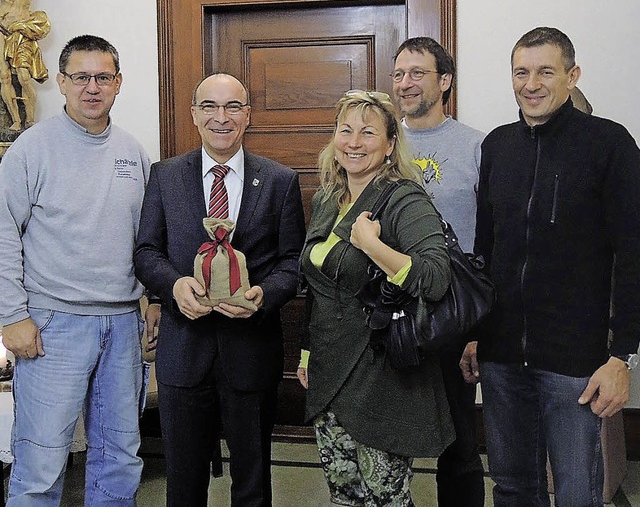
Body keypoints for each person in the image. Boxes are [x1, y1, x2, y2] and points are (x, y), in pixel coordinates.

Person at [460, 27, 640, 506]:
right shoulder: (498, 146)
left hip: (575, 364)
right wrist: (476, 331)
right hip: (500, 357)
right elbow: (485, 250)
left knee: (578, 492)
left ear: (571, 75)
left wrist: (623, 356)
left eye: (545, 71)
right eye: (521, 72)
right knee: (514, 487)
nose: (531, 83)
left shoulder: (610, 144)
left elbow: (633, 255)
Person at [134, 73, 305, 507]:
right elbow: (147, 252)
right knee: (184, 485)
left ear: (247, 116)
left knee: (252, 483)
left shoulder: (280, 180)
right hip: (183, 354)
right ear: (194, 115)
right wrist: (173, 286)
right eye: (209, 106)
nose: (221, 117)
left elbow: (292, 264)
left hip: (250, 353)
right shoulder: (165, 175)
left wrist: (264, 295)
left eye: (233, 107)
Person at [0, 34, 150, 506]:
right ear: (61, 83)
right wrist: (12, 317)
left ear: (119, 83)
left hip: (123, 324)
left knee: (119, 457)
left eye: (103, 77)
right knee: (41, 462)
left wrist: (153, 302)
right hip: (51, 325)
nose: (92, 87)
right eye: (81, 77)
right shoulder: (31, 148)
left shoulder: (134, 152)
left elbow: (145, 240)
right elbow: (3, 234)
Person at [296, 90, 454, 507]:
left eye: (367, 133)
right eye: (345, 131)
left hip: (380, 373)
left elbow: (436, 278)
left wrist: (373, 246)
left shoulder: (404, 198)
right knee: (344, 494)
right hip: (330, 368)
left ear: (389, 145)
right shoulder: (328, 198)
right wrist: (308, 353)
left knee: (386, 498)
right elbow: (318, 285)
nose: (353, 142)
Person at [392, 37, 486, 506]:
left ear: (444, 81)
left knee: (460, 447)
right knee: (388, 443)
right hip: (390, 315)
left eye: (417, 73)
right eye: (399, 74)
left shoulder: (476, 147)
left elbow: (491, 243)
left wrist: (478, 331)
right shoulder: (382, 142)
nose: (405, 84)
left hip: (452, 316)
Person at [0, 0, 58, 130]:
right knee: (4, 76)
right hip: (2, 28)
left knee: (25, 77)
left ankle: (30, 121)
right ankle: (16, 120)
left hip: (22, 28)